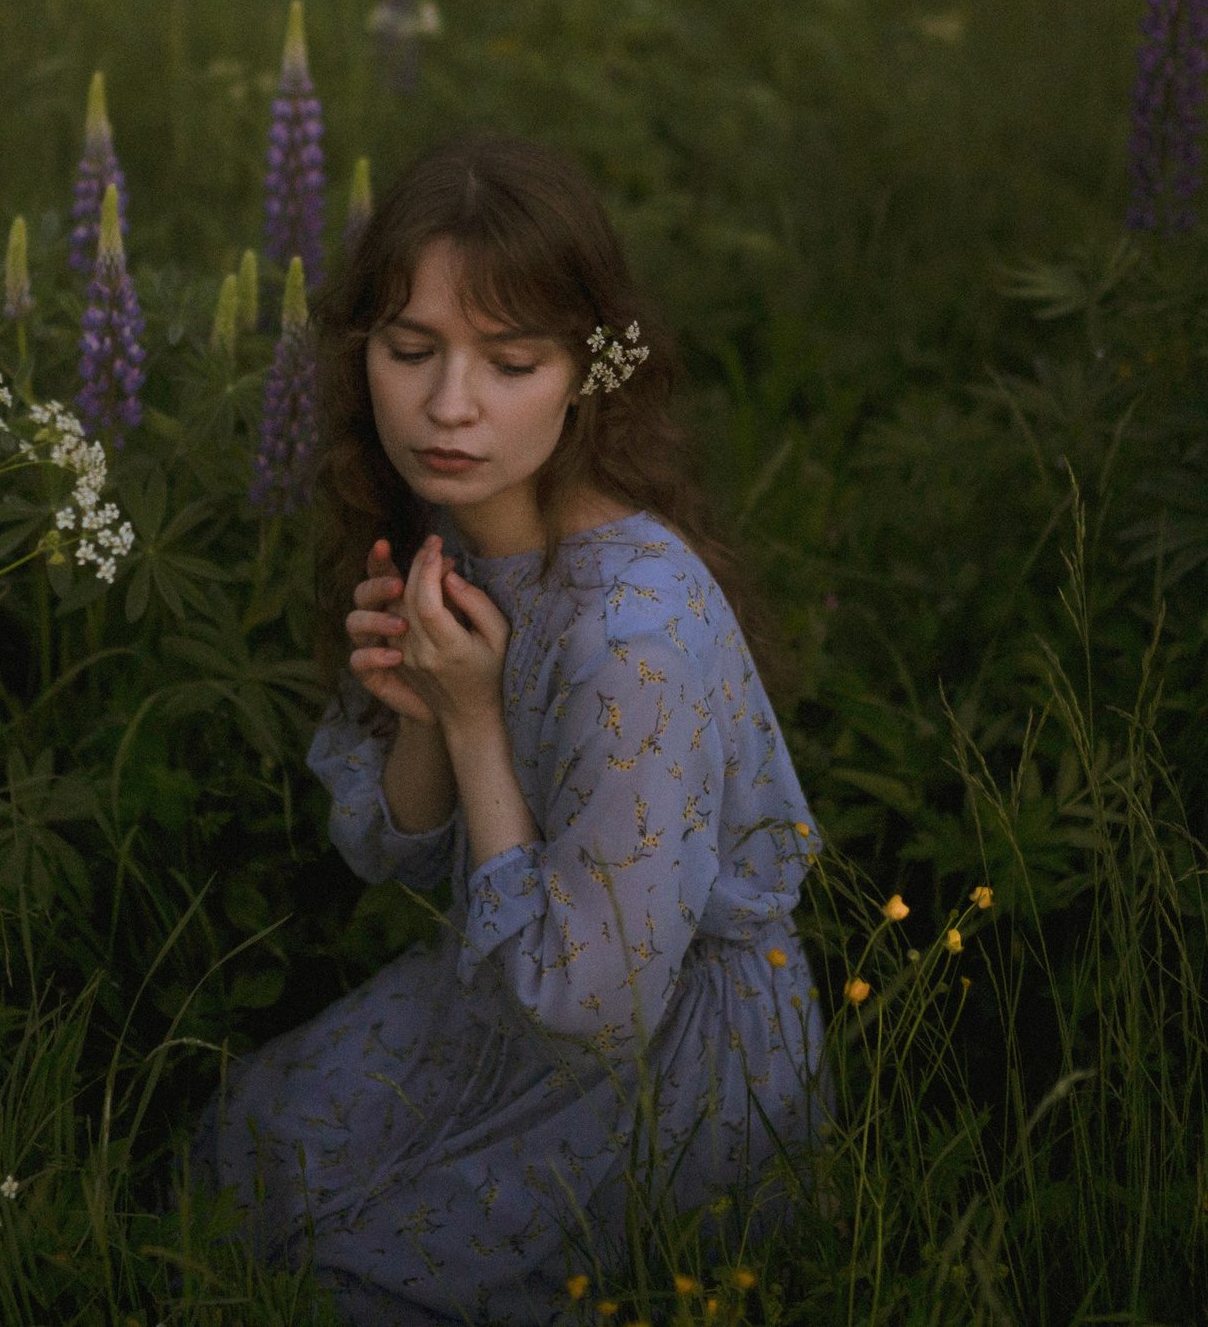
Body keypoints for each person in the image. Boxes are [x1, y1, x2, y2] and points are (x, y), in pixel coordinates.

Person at [187, 136, 825, 1324]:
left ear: (586, 371)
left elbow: (594, 1012)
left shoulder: (631, 636)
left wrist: (477, 720)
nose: (447, 406)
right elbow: (396, 850)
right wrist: (427, 709)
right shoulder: (452, 507)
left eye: (510, 360)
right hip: (516, 971)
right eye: (409, 349)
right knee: (250, 1143)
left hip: (669, 1049)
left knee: (375, 1277)